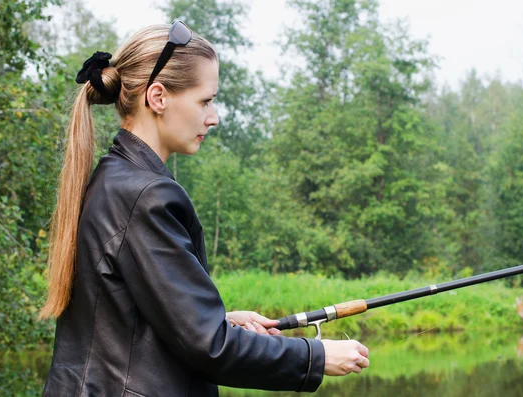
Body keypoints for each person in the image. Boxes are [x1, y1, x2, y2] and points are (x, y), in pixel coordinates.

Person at [39, 21, 369, 397]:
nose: (213, 117)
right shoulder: (144, 195)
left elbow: (126, 318)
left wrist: (221, 321)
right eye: (205, 101)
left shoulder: (113, 181)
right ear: (158, 97)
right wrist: (315, 355)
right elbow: (210, 347)